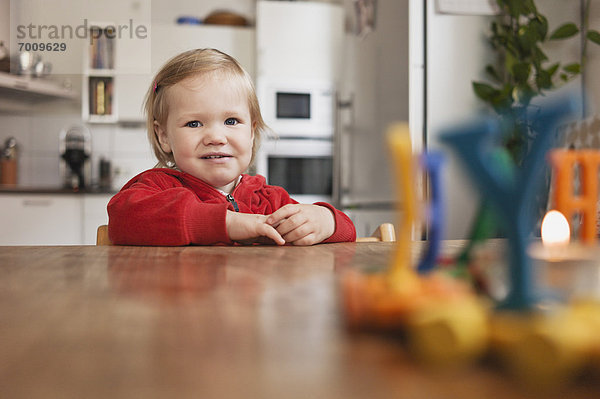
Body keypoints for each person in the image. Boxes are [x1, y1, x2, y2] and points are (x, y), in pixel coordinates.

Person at [107, 48, 356, 246]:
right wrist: (226, 223)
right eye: (194, 123)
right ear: (163, 136)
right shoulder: (156, 189)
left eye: (231, 121)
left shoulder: (269, 200)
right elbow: (122, 218)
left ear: (251, 132)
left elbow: (348, 231)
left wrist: (326, 221)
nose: (216, 137)